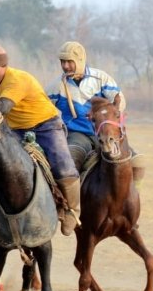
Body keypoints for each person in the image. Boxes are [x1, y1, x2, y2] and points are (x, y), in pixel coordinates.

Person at [0, 43, 80, 236]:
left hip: (45, 126)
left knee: (63, 166)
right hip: (15, 129)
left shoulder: (17, 80)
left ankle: (72, 211)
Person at [46, 41, 145, 187]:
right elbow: (43, 109)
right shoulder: (55, 86)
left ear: (80, 61)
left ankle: (132, 201)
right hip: (77, 135)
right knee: (69, 164)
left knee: (137, 162)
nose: (65, 66)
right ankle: (69, 206)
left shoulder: (101, 78)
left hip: (106, 132)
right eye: (62, 62)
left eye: (69, 62)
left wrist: (115, 114)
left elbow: (119, 99)